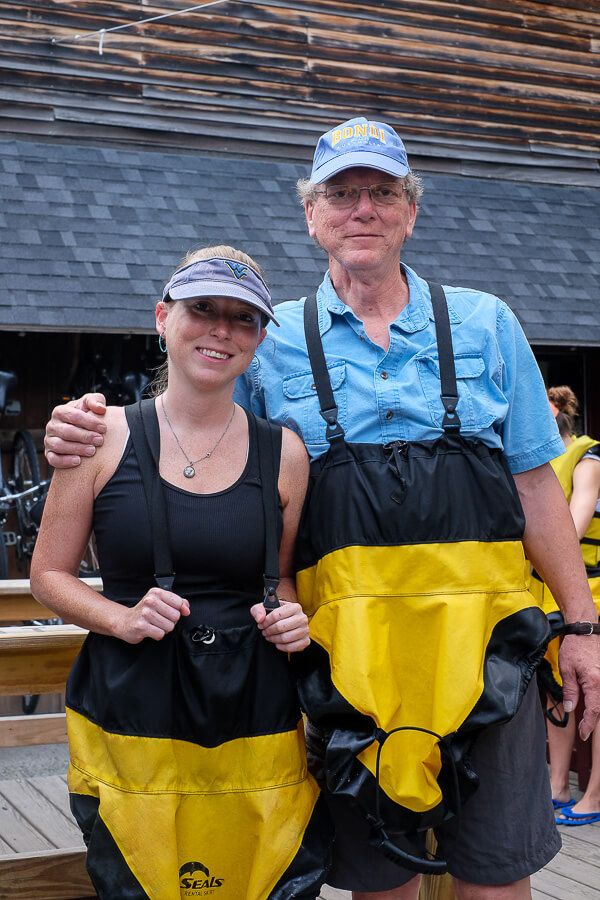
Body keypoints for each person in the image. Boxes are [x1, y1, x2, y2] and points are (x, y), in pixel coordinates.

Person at [44, 118, 600, 900]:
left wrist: (580, 627)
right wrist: (79, 430)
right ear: (312, 217)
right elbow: (190, 437)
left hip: (492, 660)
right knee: (380, 881)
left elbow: (537, 491)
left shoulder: (489, 324)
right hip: (351, 665)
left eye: (381, 192)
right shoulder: (270, 345)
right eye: (340, 194)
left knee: (496, 876)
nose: (361, 208)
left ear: (411, 211)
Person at [31, 246, 333, 899]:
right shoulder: (98, 436)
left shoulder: (285, 455)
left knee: (258, 877)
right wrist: (124, 617)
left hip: (253, 717)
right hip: (131, 714)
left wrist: (289, 621)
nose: (221, 330)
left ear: (259, 338)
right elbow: (48, 575)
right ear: (163, 317)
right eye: (203, 310)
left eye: (242, 319)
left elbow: (276, 580)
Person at [530, 386, 600, 827]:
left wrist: (541, 543)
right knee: (557, 691)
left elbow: (575, 521)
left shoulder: (588, 457)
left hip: (591, 590)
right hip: (544, 594)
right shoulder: (534, 460)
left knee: (595, 692)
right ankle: (557, 785)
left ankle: (593, 796)